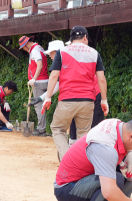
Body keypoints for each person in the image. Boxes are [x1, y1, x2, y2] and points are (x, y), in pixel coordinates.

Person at [43, 26, 109, 160]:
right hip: (88, 101)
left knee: (57, 128)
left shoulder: (62, 52)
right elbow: (101, 79)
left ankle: (67, 158)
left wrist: (48, 97)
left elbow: (54, 75)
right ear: (85, 37)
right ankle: (79, 165)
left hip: (67, 99)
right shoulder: (94, 53)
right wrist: (103, 100)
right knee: (84, 135)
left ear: (71, 39)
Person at [19, 35, 50, 136]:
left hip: (39, 81)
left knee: (38, 105)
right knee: (42, 104)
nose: (23, 49)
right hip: (45, 80)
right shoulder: (39, 48)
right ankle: (42, 128)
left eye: (23, 46)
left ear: (27, 43)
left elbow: (39, 65)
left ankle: (41, 129)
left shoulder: (35, 51)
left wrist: (34, 79)